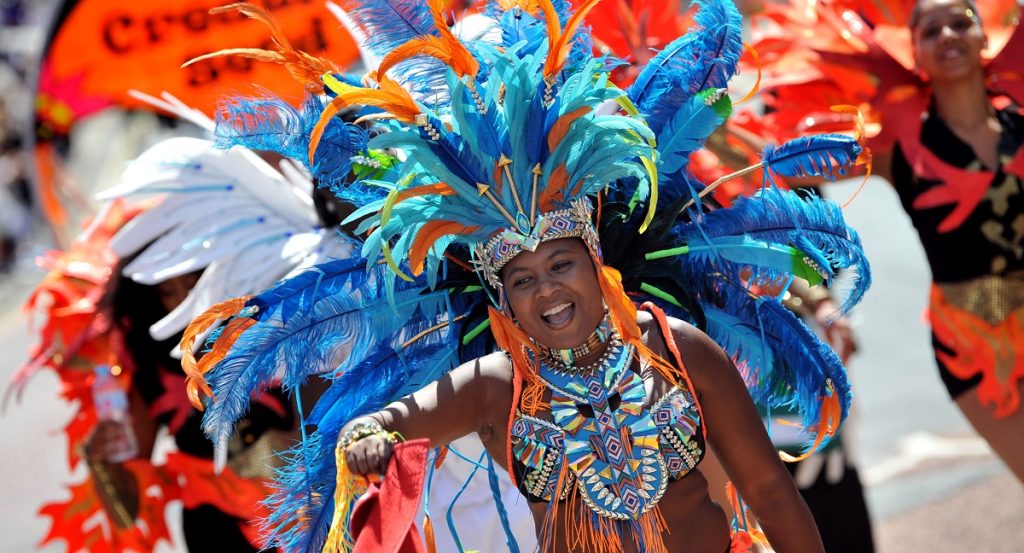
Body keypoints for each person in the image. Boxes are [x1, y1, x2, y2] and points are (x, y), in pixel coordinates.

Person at [182, 0, 873, 551]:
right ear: (502, 300)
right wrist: (375, 434)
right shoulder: (496, 388)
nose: (545, 288)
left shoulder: (682, 349)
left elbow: (769, 488)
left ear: (598, 267)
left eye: (561, 264)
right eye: (521, 278)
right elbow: (403, 416)